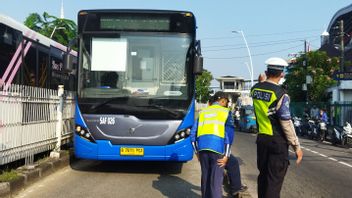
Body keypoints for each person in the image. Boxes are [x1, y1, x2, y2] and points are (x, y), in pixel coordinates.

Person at [250, 57, 303, 198]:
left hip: (262, 140)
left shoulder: (255, 89)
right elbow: (286, 122)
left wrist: (262, 81)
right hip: (277, 142)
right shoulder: (281, 94)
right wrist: (296, 146)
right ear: (282, 74)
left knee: (263, 178)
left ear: (266, 72)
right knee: (273, 181)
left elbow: (262, 89)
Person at [190, 91, 235, 198]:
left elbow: (192, 135)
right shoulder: (226, 112)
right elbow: (229, 135)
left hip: (202, 150)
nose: (226, 105)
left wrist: (197, 152)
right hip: (217, 150)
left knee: (205, 179)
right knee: (215, 182)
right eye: (226, 102)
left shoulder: (203, 112)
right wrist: (227, 155)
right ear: (222, 101)